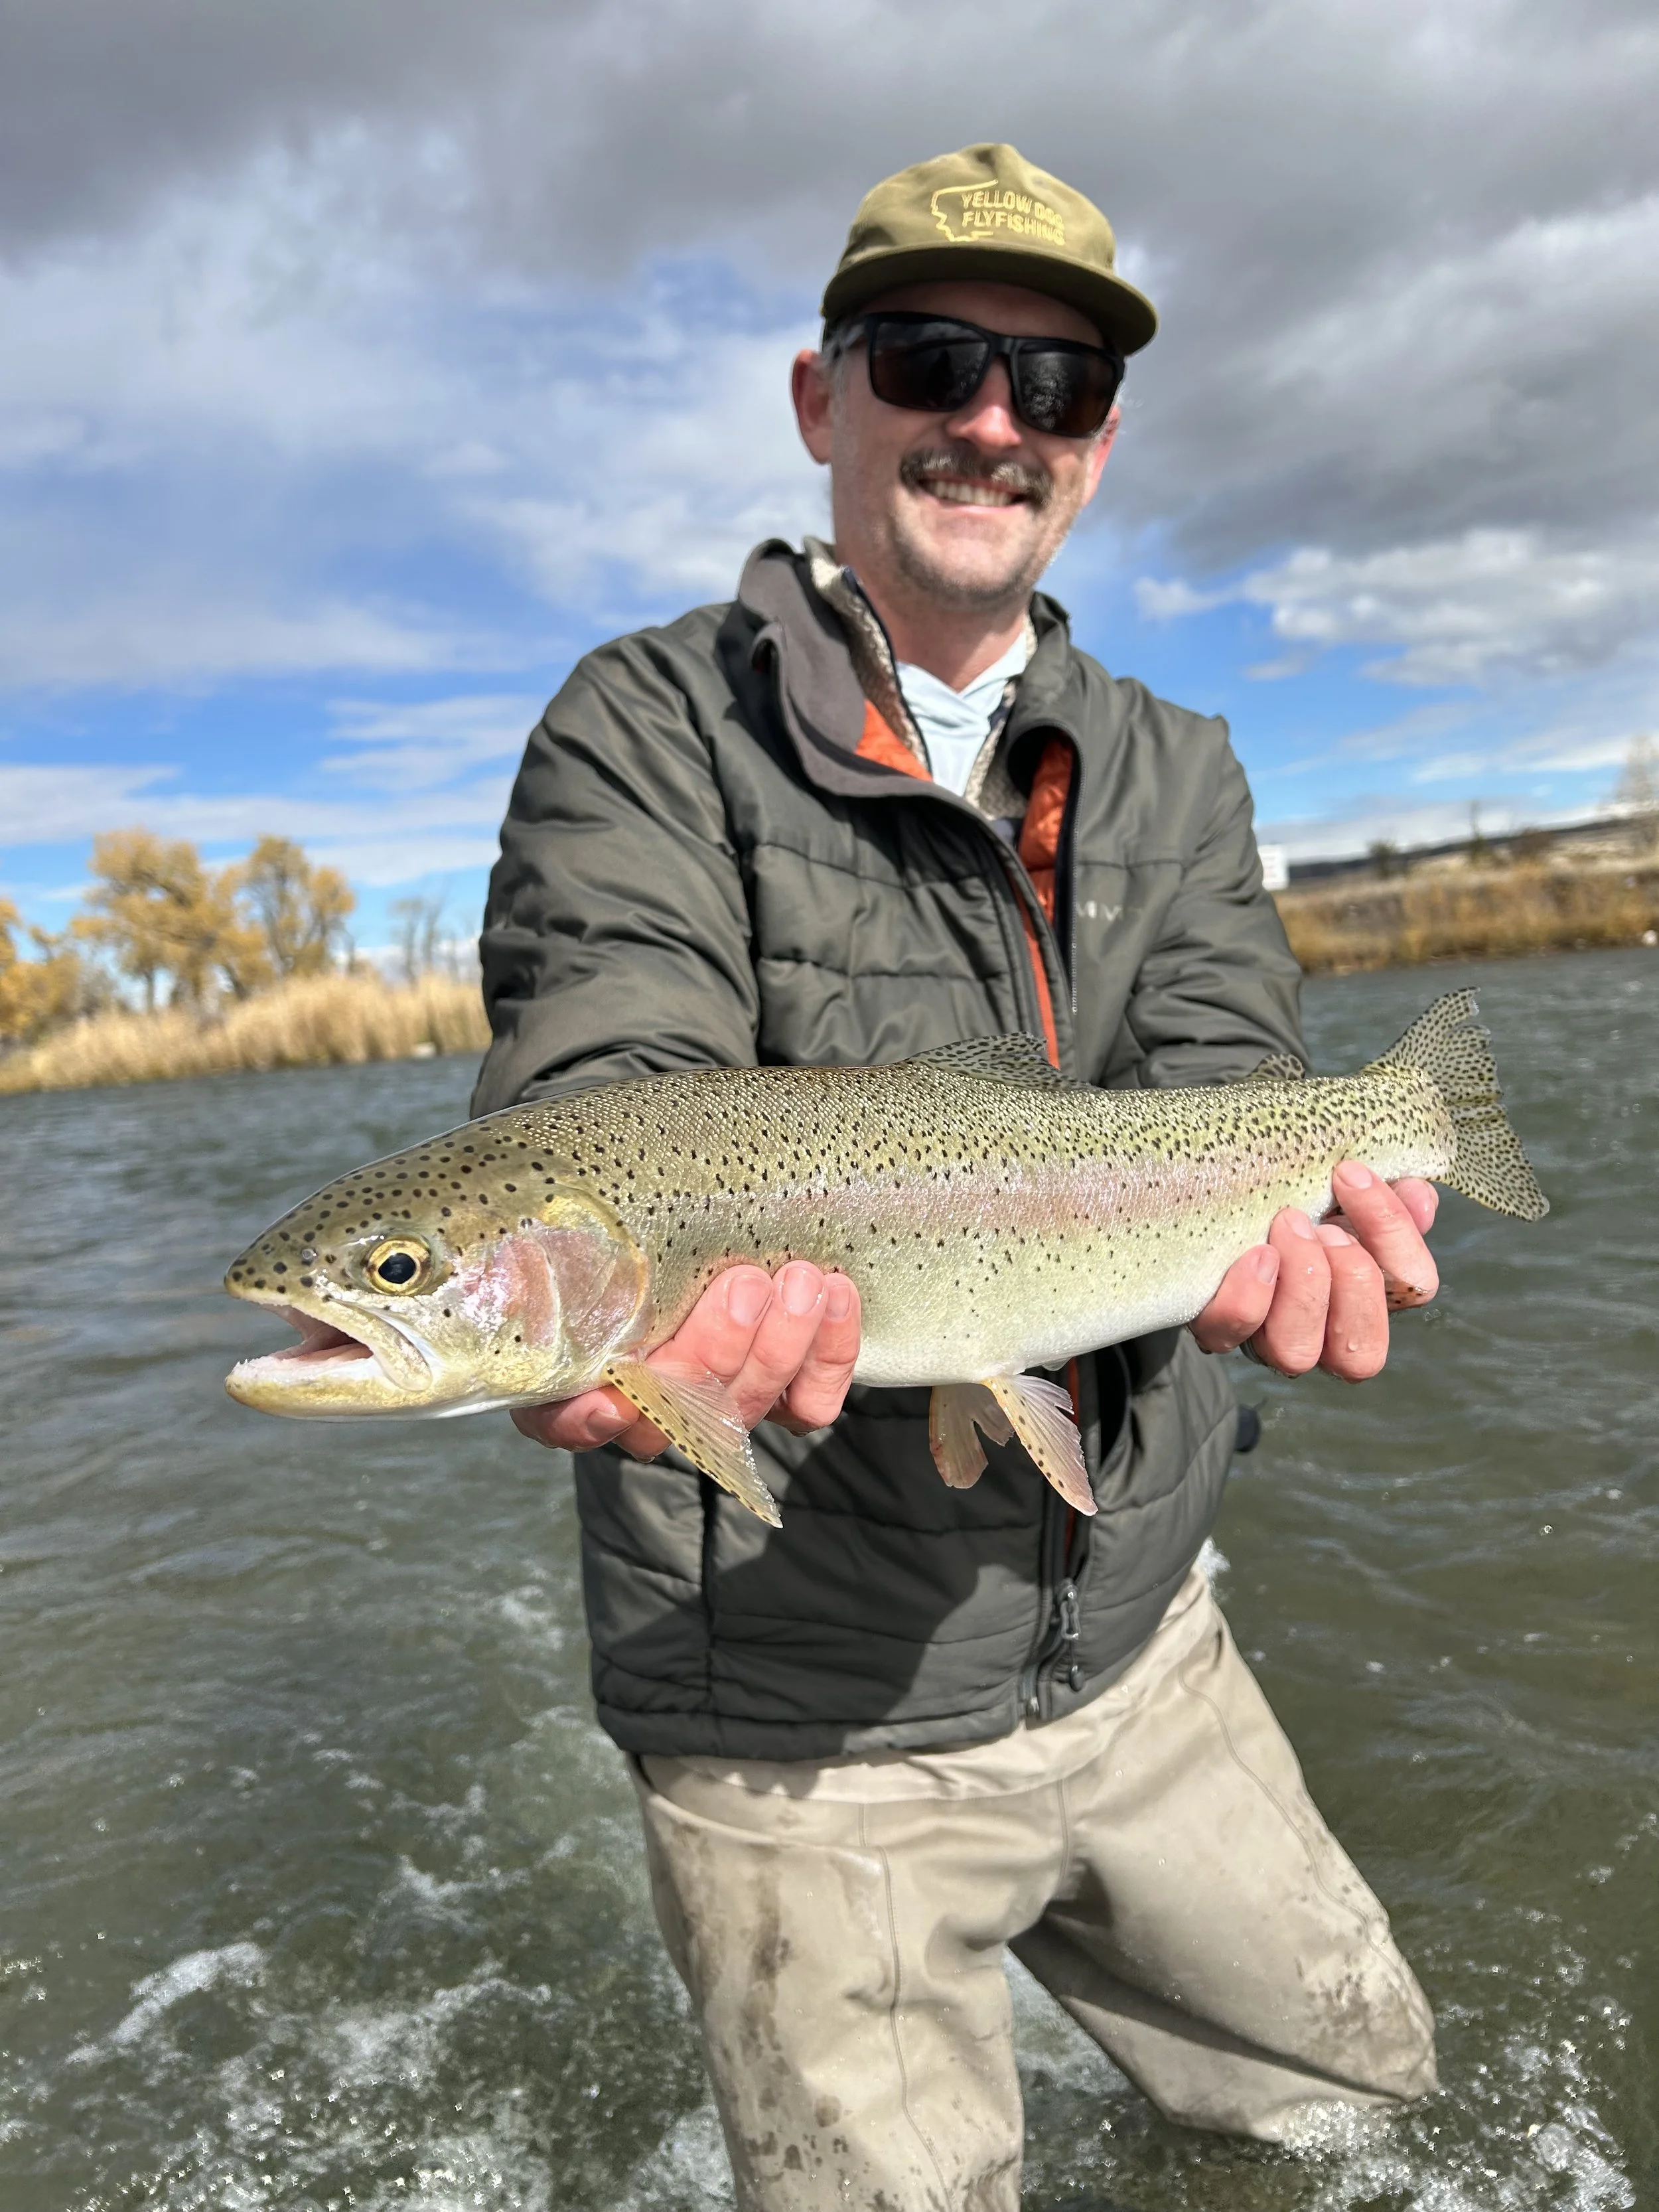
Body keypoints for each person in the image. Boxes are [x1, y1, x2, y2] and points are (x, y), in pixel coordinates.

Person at [474, 143, 1440, 2211]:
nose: (991, 418)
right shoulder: (641, 730)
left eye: (1056, 381)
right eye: (930, 356)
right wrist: (617, 1264)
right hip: (793, 1732)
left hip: (1144, 1631)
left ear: (1094, 444)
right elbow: (609, 1047)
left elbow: (1226, 1062)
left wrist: (1315, 1190)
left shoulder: (1175, 760)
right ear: (823, 401)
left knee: (1366, 2136)